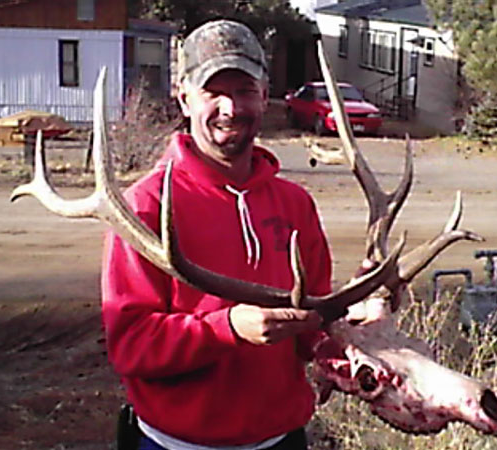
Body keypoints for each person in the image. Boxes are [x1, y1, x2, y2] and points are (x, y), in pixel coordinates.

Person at [101, 19, 332, 450]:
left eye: (244, 90)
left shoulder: (294, 204)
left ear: (264, 96)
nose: (231, 107)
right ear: (184, 98)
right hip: (176, 444)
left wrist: (348, 328)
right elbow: (131, 345)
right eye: (214, 92)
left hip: (281, 440)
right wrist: (226, 328)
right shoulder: (143, 206)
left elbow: (314, 322)